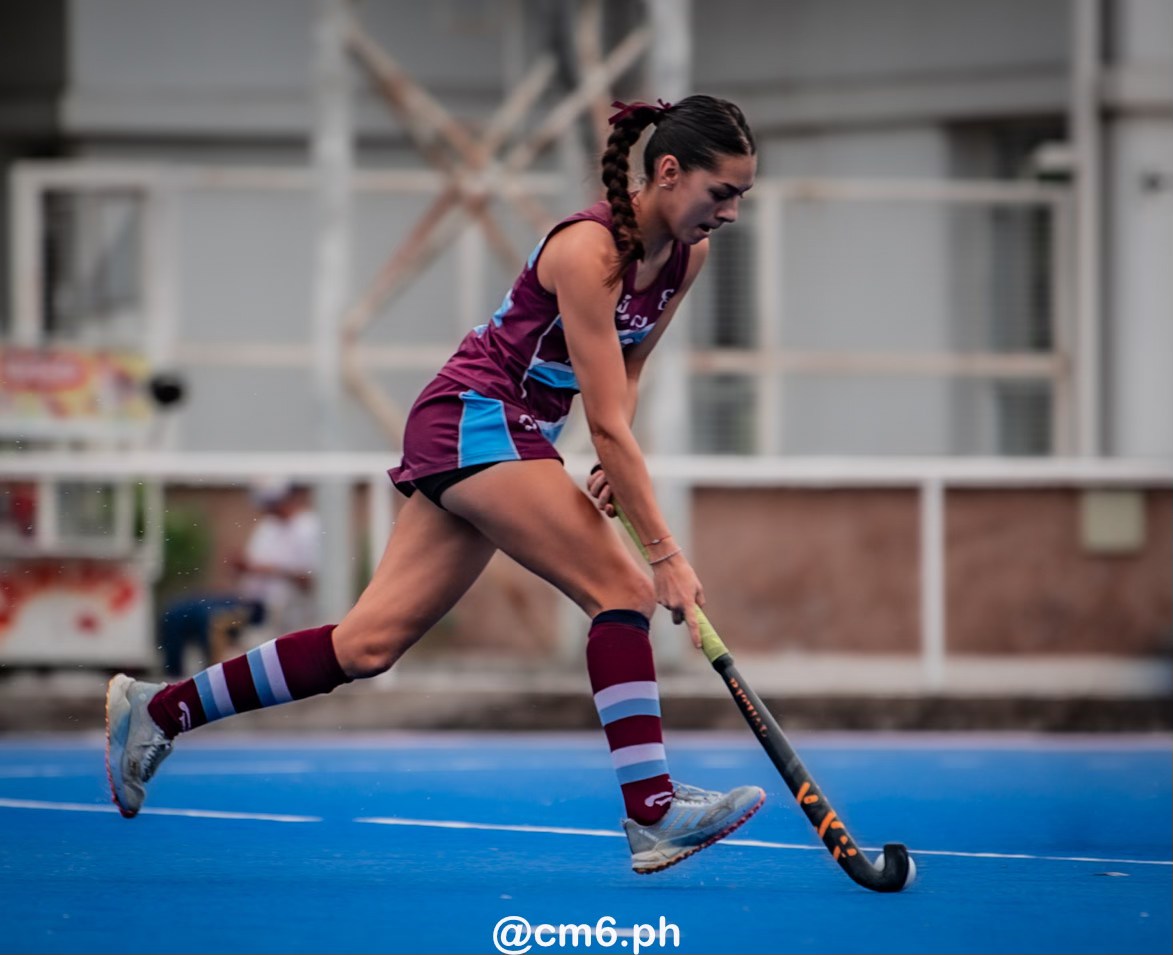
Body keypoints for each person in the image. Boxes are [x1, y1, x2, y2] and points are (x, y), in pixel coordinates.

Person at [106, 94, 764, 874]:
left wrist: (606, 461)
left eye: (740, 198)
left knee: (367, 645)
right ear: (666, 172)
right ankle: (651, 809)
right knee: (622, 590)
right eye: (720, 192)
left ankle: (158, 709)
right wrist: (663, 551)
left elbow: (625, 372)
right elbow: (609, 420)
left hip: (516, 434)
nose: (728, 213)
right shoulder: (588, 252)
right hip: (473, 418)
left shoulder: (687, 257)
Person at [157, 479, 321, 678]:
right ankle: (172, 680)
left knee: (211, 619)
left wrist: (262, 569)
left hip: (269, 607)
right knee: (176, 612)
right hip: (245, 598)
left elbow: (311, 580)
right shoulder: (269, 526)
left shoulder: (308, 528)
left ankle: (209, 684)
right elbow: (252, 567)